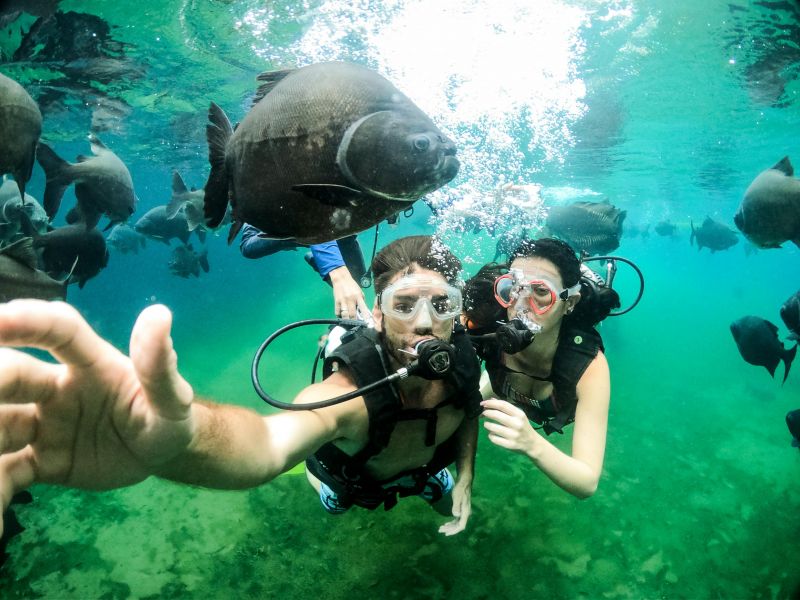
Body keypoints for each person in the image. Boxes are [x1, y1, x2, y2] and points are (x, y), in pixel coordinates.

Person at [0, 235, 482, 537]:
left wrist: (464, 475)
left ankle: (438, 483)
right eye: (403, 305)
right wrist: (181, 441)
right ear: (376, 315)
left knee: (444, 492)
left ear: (458, 314)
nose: (423, 324)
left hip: (424, 472)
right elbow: (267, 446)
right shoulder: (345, 397)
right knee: (334, 504)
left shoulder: (464, 364)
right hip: (351, 483)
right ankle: (322, 482)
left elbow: (469, 412)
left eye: (441, 305)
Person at [463, 238, 612, 498]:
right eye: (513, 288)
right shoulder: (488, 329)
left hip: (551, 400)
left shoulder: (588, 365)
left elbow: (587, 482)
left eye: (541, 292)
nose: (521, 305)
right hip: (501, 387)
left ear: (570, 302)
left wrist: (532, 444)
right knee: (462, 412)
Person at [240, 223, 370, 319]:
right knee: (249, 247)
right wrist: (336, 271)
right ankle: (293, 236)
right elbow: (315, 215)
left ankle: (315, 255)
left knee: (356, 291)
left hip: (343, 235)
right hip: (297, 218)